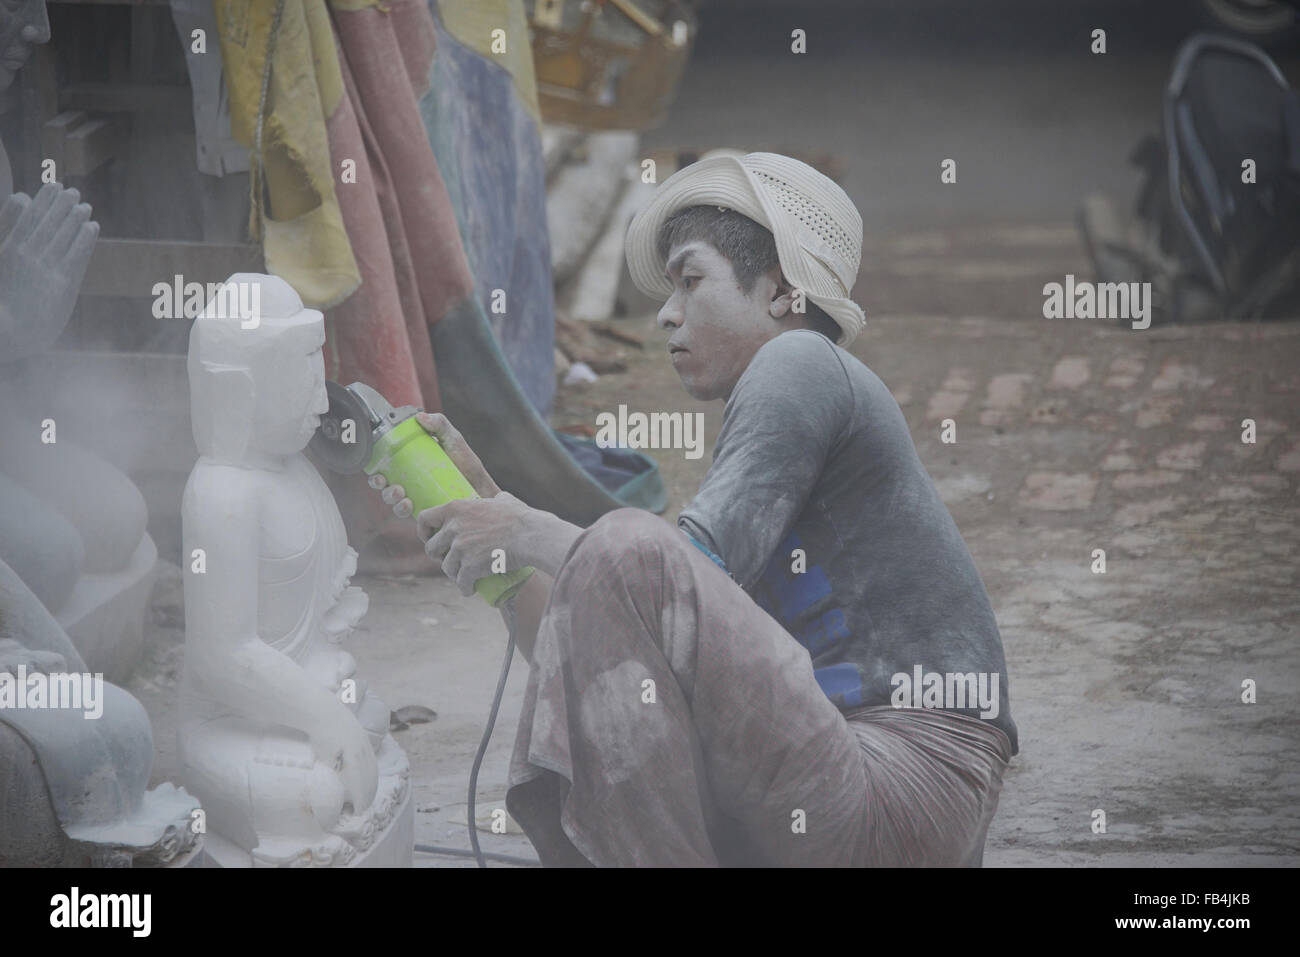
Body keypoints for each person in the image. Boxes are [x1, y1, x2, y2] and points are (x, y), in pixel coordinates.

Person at [372, 153, 1018, 866]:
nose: (666, 313)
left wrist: (523, 528)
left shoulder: (799, 361)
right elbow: (610, 645)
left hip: (899, 785)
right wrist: (489, 523)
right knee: (626, 565)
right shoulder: (771, 429)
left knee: (630, 544)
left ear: (780, 291)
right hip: (851, 795)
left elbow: (646, 572)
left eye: (691, 279)